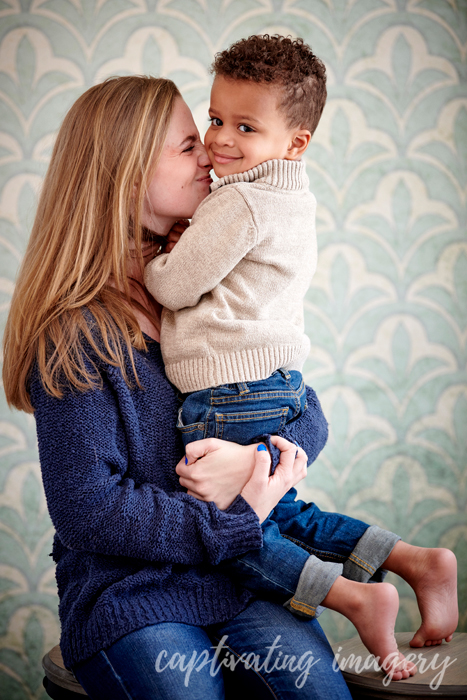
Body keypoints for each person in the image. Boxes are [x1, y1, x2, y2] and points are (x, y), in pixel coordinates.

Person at [2, 74, 362, 699]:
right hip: (134, 591)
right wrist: (235, 519)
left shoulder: (193, 290)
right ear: (124, 172)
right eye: (188, 145)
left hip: (241, 577)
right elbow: (90, 508)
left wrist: (251, 460)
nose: (214, 154)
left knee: (319, 693)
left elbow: (304, 411)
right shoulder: (78, 332)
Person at [144, 35, 459, 679]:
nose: (220, 140)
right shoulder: (291, 198)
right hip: (275, 386)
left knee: (230, 534)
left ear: (297, 141)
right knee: (285, 514)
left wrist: (151, 261)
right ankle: (406, 559)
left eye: (246, 126)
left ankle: (353, 597)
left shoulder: (238, 202)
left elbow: (177, 286)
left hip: (226, 394)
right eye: (215, 118)